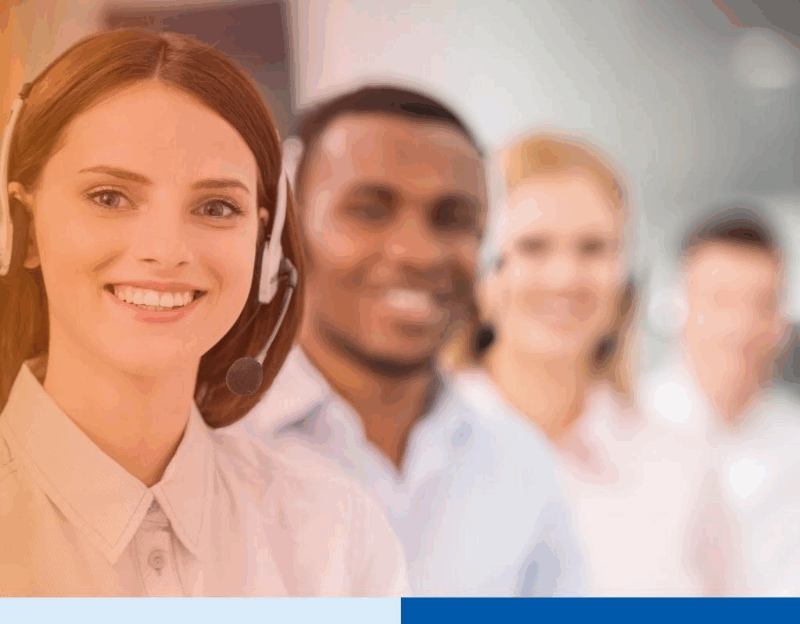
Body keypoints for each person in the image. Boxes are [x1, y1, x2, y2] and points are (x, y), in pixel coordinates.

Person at [0, 28, 407, 596]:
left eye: (216, 207)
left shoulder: (335, 533)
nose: (166, 249)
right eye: (109, 197)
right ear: (22, 227)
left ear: (265, 252)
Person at [227, 86, 583, 596]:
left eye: (452, 218)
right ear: (290, 228)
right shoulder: (210, 446)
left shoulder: (519, 464)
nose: (417, 252)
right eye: (370, 210)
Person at [460, 132, 711, 595]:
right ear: (481, 271)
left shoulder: (682, 468)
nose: (565, 277)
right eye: (533, 247)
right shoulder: (414, 453)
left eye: (593, 248)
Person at [641, 202, 800, 594]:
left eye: (762, 304)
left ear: (784, 321)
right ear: (676, 306)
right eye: (721, 300)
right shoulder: (626, 429)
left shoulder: (793, 442)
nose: (741, 327)